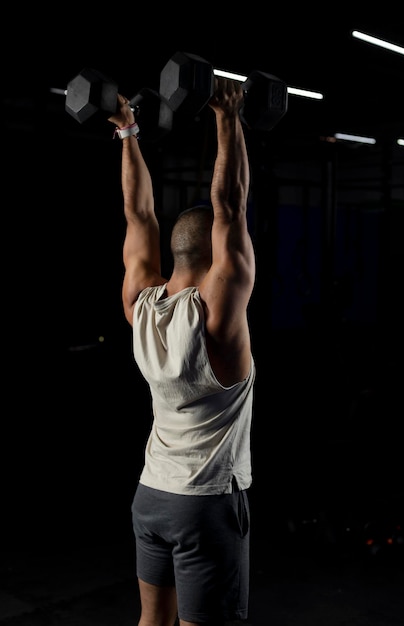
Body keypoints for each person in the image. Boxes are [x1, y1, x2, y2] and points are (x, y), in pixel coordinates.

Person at [108, 76, 256, 626]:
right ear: (215, 252)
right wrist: (227, 116)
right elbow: (231, 207)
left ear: (175, 251)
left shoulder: (140, 307)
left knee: (152, 622)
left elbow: (138, 216)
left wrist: (128, 132)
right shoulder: (218, 318)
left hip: (151, 496)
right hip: (205, 503)